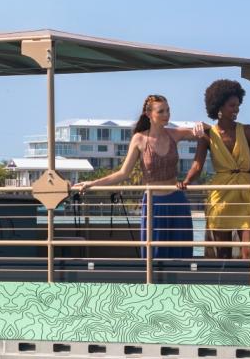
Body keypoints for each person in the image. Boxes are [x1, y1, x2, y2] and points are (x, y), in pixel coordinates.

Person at [75, 94, 204, 258]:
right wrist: (92, 183)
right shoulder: (139, 139)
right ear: (149, 114)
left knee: (182, 252)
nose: (166, 115)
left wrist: (201, 125)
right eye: (161, 111)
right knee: (155, 255)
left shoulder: (174, 134)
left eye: (168, 110)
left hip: (177, 201)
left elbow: (206, 131)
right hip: (154, 203)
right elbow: (123, 173)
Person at [181, 79, 250, 259]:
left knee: (249, 252)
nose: (237, 109)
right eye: (232, 105)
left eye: (238, 105)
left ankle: (249, 286)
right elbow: (197, 164)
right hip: (221, 196)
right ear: (218, 106)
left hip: (246, 193)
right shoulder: (207, 135)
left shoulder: (249, 131)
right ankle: (223, 286)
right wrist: (186, 181)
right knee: (222, 253)